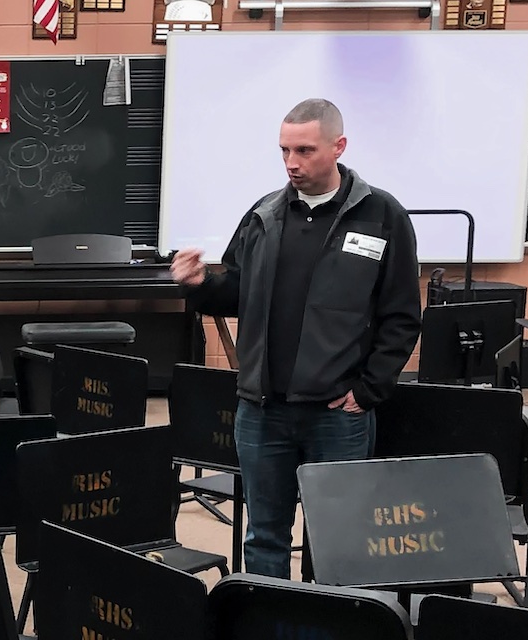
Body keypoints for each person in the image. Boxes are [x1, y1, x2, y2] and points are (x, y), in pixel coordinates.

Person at [170, 98, 421, 579]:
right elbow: (237, 290)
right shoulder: (265, 214)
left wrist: (369, 390)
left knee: (339, 535)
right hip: (262, 411)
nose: (292, 163)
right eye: (284, 150)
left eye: (304, 150)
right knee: (264, 535)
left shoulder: (381, 216)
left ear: (338, 147)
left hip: (336, 414)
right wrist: (201, 285)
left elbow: (402, 315)